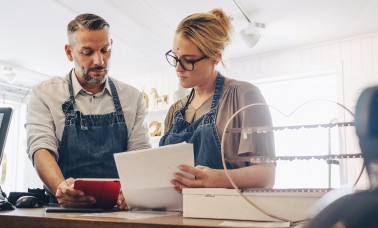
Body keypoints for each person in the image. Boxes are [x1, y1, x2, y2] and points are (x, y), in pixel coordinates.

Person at [26, 13, 150, 208]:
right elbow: (41, 149)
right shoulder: (44, 94)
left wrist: (132, 190)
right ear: (69, 52)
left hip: (120, 211)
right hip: (63, 211)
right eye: (88, 52)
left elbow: (140, 152)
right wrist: (61, 188)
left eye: (105, 50)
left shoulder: (133, 98)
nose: (100, 61)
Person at [160, 8, 276, 193]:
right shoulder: (175, 111)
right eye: (175, 57)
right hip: (178, 217)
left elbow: (266, 175)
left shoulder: (244, 96)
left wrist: (216, 178)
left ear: (215, 57)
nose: (178, 68)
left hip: (229, 217)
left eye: (188, 60)